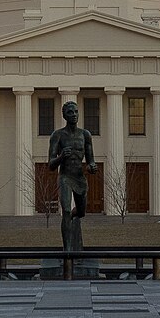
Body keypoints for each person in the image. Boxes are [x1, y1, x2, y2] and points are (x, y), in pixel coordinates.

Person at [48, 100, 96, 253]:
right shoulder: (58, 135)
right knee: (66, 211)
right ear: (64, 116)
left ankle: (70, 222)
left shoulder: (85, 135)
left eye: (76, 112)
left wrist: (91, 167)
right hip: (65, 177)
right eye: (70, 112)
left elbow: (90, 160)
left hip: (79, 177)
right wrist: (61, 157)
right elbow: (50, 164)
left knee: (80, 212)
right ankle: (67, 249)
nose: (74, 115)